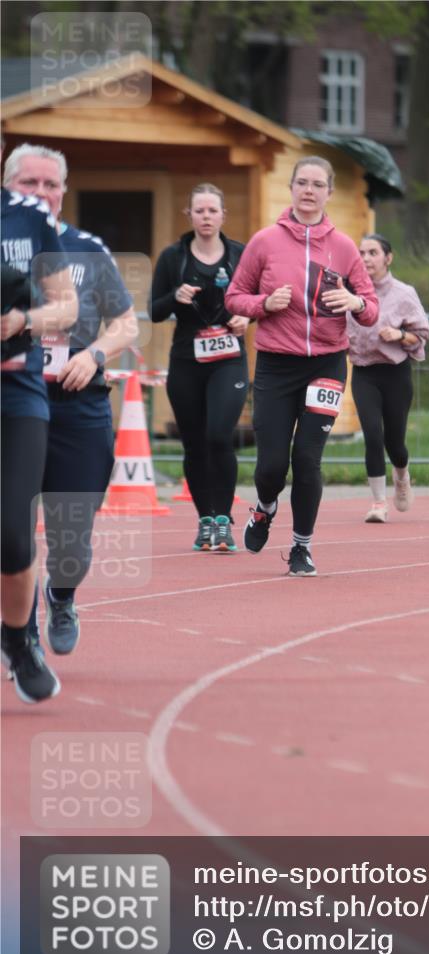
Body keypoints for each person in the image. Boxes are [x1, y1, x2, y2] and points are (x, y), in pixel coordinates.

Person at [4, 143, 139, 657]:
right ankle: (24, 631)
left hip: (77, 406)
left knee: (72, 535)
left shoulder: (87, 248)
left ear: (64, 191)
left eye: (50, 185)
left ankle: (62, 596)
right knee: (15, 527)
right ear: (9, 186)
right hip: (14, 399)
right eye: (29, 184)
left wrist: (96, 356)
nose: (41, 194)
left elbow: (126, 324)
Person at [225, 156, 378, 575]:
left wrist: (355, 301)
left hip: (327, 363)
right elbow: (235, 297)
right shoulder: (264, 242)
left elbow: (371, 309)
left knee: (307, 459)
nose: (309, 191)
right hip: (276, 365)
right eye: (302, 184)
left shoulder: (344, 247)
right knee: (272, 464)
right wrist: (262, 304)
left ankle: (301, 547)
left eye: (317, 185)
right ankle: (265, 506)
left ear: (329, 192)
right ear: (291, 189)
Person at [1, 150, 78, 702]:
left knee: (11, 532)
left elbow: (67, 307)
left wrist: (23, 319)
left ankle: (18, 638)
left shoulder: (30, 219)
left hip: (16, 395)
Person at [149, 183, 248, 552]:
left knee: (219, 436)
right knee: (194, 443)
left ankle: (223, 521)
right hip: (187, 360)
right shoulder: (174, 257)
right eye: (199, 211)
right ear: (188, 215)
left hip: (228, 359)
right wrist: (175, 297)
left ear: (224, 215)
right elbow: (154, 311)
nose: (206, 217)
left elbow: (259, 300)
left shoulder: (240, 254)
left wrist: (245, 318)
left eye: (212, 210)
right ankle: (205, 519)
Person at [348, 234, 429, 523]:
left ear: (388, 258)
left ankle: (402, 473)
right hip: (363, 373)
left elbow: (421, 334)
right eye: (362, 253)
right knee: (372, 435)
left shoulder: (403, 293)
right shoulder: (350, 293)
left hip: (395, 373)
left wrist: (399, 335)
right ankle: (378, 502)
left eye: (373, 252)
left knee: (395, 443)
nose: (366, 258)